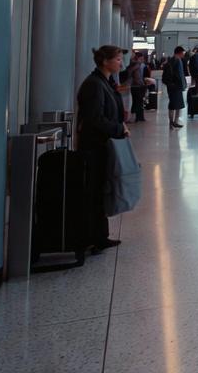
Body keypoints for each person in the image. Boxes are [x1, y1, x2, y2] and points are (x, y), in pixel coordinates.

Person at [76, 45, 127, 254]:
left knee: (99, 190)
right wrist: (118, 129)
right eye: (117, 59)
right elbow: (94, 119)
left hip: (101, 145)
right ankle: (93, 236)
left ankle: (99, 235)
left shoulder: (104, 82)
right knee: (94, 190)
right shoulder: (94, 85)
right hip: (94, 147)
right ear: (105, 61)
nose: (120, 63)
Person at [162, 46, 187, 129]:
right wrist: (183, 85)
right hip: (176, 86)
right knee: (177, 105)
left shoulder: (170, 61)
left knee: (173, 105)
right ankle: (174, 122)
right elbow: (180, 75)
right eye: (183, 53)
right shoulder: (177, 61)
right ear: (179, 53)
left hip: (171, 86)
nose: (183, 54)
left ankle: (172, 123)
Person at [125, 52, 153, 122]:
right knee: (138, 102)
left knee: (137, 102)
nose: (142, 60)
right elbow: (137, 77)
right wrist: (143, 84)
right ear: (138, 58)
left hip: (135, 86)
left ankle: (138, 117)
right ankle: (137, 117)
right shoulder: (136, 65)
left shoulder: (133, 65)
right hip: (137, 86)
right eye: (141, 59)